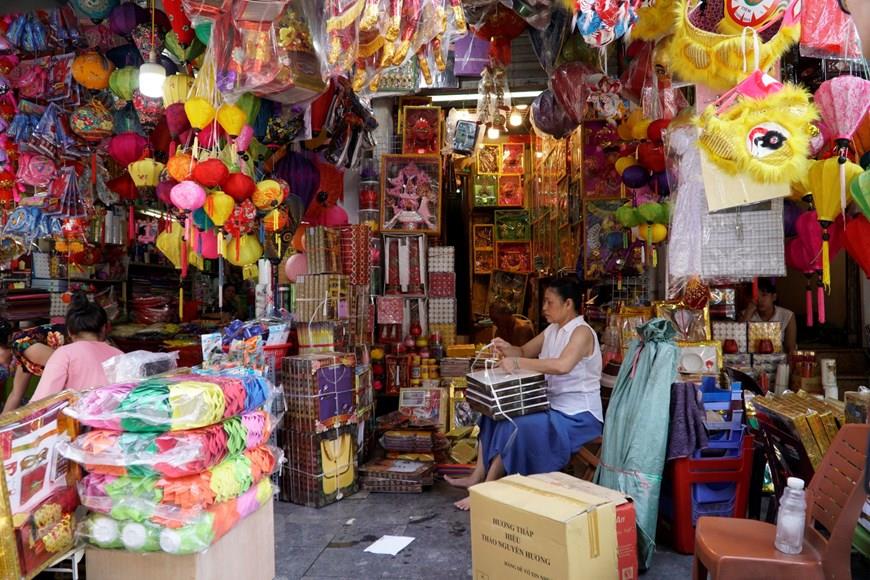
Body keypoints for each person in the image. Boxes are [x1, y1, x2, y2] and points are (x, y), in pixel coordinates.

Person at [448, 277, 604, 510]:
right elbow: (523, 350)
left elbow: (562, 365)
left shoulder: (581, 332)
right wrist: (505, 348)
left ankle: (487, 492)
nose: (543, 308)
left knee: (515, 424)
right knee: (494, 414)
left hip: (578, 416)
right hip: (552, 407)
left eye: (549, 303)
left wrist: (518, 362)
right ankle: (476, 477)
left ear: (568, 304)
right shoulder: (552, 330)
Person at [31, 293, 123, 401]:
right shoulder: (119, 354)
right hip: (113, 417)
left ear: (69, 331)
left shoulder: (64, 353)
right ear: (104, 328)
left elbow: (42, 401)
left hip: (74, 417)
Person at [1, 320, 66, 412]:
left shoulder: (21, 344)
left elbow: (68, 365)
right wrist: (2, 423)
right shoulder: (21, 350)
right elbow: (16, 394)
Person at [740, 277, 797, 354]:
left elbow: (790, 347)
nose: (759, 300)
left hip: (779, 361)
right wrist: (749, 312)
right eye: (756, 296)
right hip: (752, 360)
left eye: (764, 295)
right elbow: (739, 341)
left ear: (774, 297)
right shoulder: (745, 314)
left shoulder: (787, 315)